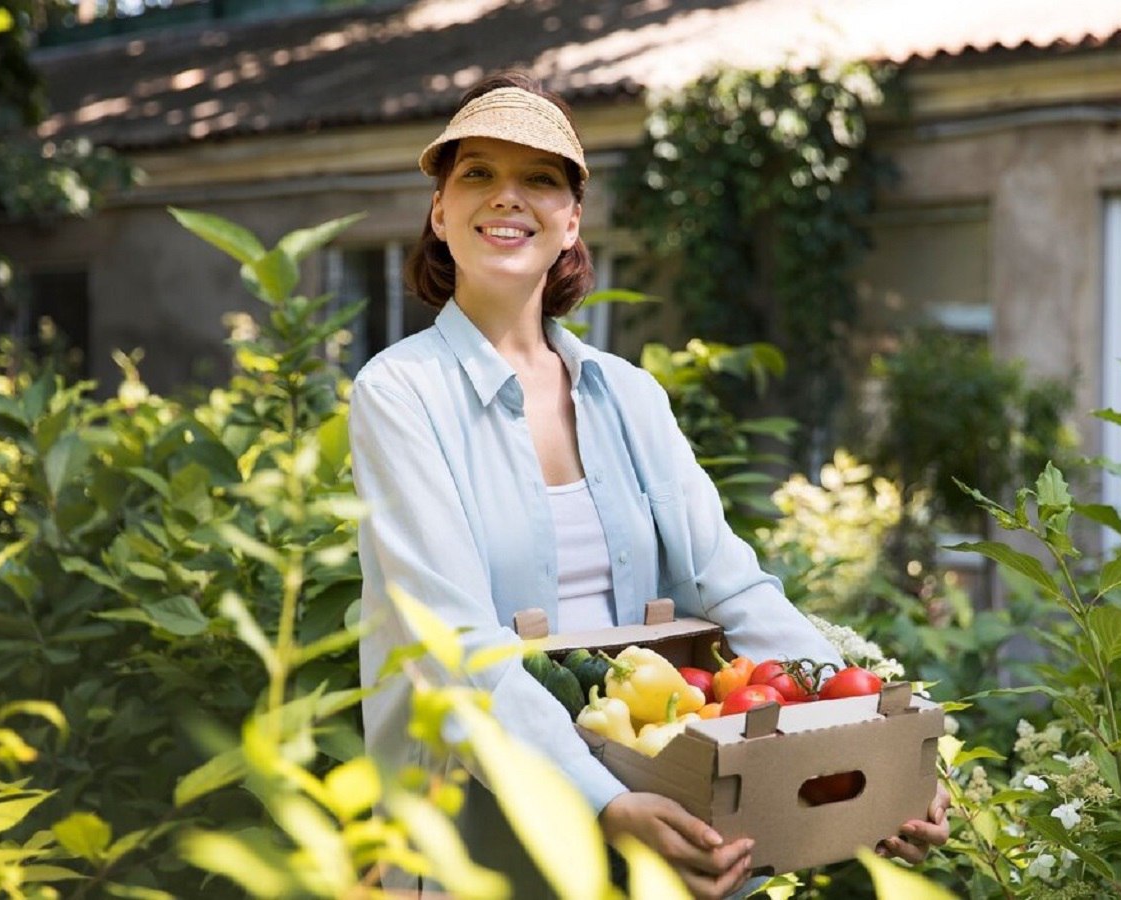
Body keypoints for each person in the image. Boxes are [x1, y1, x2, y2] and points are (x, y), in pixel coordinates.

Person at [349, 70, 949, 899]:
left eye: (539, 178)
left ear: (571, 222)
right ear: (440, 213)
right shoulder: (400, 393)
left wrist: (867, 751)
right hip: (480, 830)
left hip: (661, 811)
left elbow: (732, 587)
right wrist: (605, 800)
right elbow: (455, 649)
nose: (506, 197)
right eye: (477, 173)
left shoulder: (627, 395)